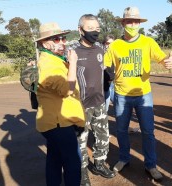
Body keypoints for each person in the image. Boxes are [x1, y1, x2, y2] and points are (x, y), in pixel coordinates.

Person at [104, 7, 172, 181]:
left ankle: (151, 165)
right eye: (129, 21)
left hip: (144, 95)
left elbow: (162, 59)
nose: (132, 24)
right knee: (121, 130)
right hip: (121, 94)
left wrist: (168, 62)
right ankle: (124, 158)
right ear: (123, 23)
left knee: (148, 131)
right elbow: (103, 65)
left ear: (140, 23)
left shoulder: (148, 42)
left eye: (136, 21)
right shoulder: (114, 46)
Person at [35, 22, 86, 186]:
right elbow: (67, 89)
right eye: (57, 39)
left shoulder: (55, 59)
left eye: (63, 38)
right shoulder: (49, 63)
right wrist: (74, 63)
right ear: (45, 43)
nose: (63, 42)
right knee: (73, 163)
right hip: (59, 123)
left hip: (55, 122)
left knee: (54, 161)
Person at [69, 14, 115, 186]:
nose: (95, 32)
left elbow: (103, 69)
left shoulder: (100, 49)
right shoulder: (72, 51)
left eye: (97, 28)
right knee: (81, 141)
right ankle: (82, 172)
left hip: (99, 101)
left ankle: (99, 164)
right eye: (90, 28)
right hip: (80, 106)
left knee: (102, 136)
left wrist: (109, 74)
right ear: (80, 30)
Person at [103, 34, 115, 112]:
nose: (110, 45)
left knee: (116, 100)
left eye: (112, 43)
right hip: (104, 81)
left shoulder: (116, 53)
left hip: (113, 81)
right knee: (106, 98)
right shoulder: (101, 53)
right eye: (108, 43)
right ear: (104, 43)